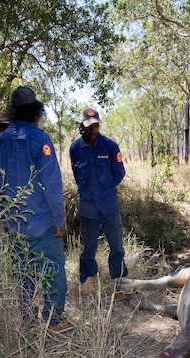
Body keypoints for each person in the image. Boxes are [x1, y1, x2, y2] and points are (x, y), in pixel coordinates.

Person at [0, 86, 70, 332]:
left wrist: (4, 215)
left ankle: (26, 319)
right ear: (36, 112)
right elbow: (52, 183)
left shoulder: (1, 140)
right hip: (43, 222)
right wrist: (59, 219)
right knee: (53, 270)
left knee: (23, 273)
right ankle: (53, 320)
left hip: (15, 222)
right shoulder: (40, 139)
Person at [68, 107, 127, 296]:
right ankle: (87, 282)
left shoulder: (110, 146)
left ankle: (120, 282)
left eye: (96, 125)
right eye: (89, 126)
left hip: (109, 205)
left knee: (117, 245)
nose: (93, 129)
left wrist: (104, 190)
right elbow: (77, 175)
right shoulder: (75, 148)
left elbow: (119, 173)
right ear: (81, 127)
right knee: (89, 247)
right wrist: (89, 193)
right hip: (87, 209)